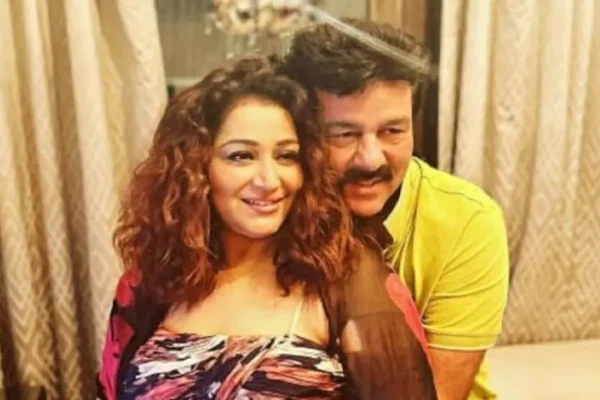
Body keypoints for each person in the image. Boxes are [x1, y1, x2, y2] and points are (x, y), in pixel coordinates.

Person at [96, 55, 437, 399]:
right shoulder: (153, 279)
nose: (269, 181)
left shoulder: (346, 273)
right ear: (194, 169)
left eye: (286, 156)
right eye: (241, 156)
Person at [280, 18, 510, 400]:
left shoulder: (467, 220)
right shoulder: (273, 203)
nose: (371, 159)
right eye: (344, 134)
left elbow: (439, 393)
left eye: (393, 131)